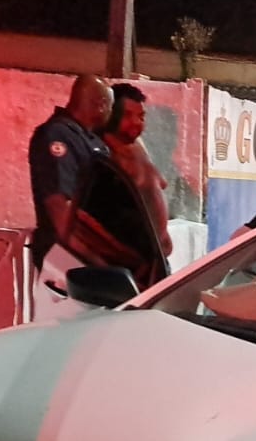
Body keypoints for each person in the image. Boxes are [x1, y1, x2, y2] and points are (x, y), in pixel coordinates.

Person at [28, 73, 137, 318]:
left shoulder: (88, 139)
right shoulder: (57, 137)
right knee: (65, 330)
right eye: (110, 106)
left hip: (90, 261)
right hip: (67, 261)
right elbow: (59, 208)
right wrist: (99, 260)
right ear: (100, 105)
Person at [102, 83, 173, 275]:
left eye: (141, 116)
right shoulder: (104, 155)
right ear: (111, 114)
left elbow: (158, 184)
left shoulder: (135, 146)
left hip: (154, 261)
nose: (136, 122)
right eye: (127, 115)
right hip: (128, 267)